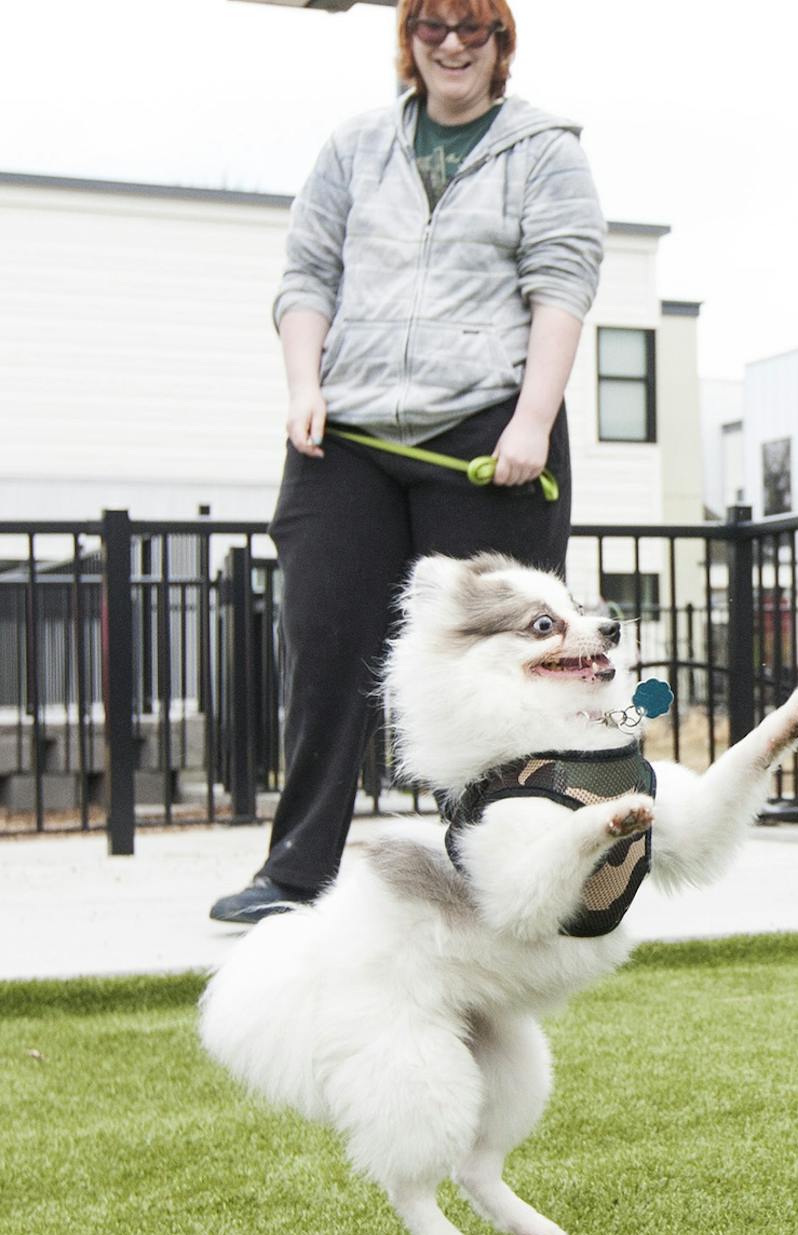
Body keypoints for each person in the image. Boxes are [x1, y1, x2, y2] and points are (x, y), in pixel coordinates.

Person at [211, 0, 605, 923]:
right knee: (325, 638)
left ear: (502, 41)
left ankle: (497, 873)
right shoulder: (354, 147)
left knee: (500, 665)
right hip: (347, 439)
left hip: (486, 436)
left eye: (474, 27)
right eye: (434, 26)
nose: (454, 44)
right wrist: (304, 387)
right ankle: (297, 870)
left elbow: (563, 284)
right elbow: (308, 275)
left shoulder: (546, 150)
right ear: (410, 41)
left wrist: (532, 420)